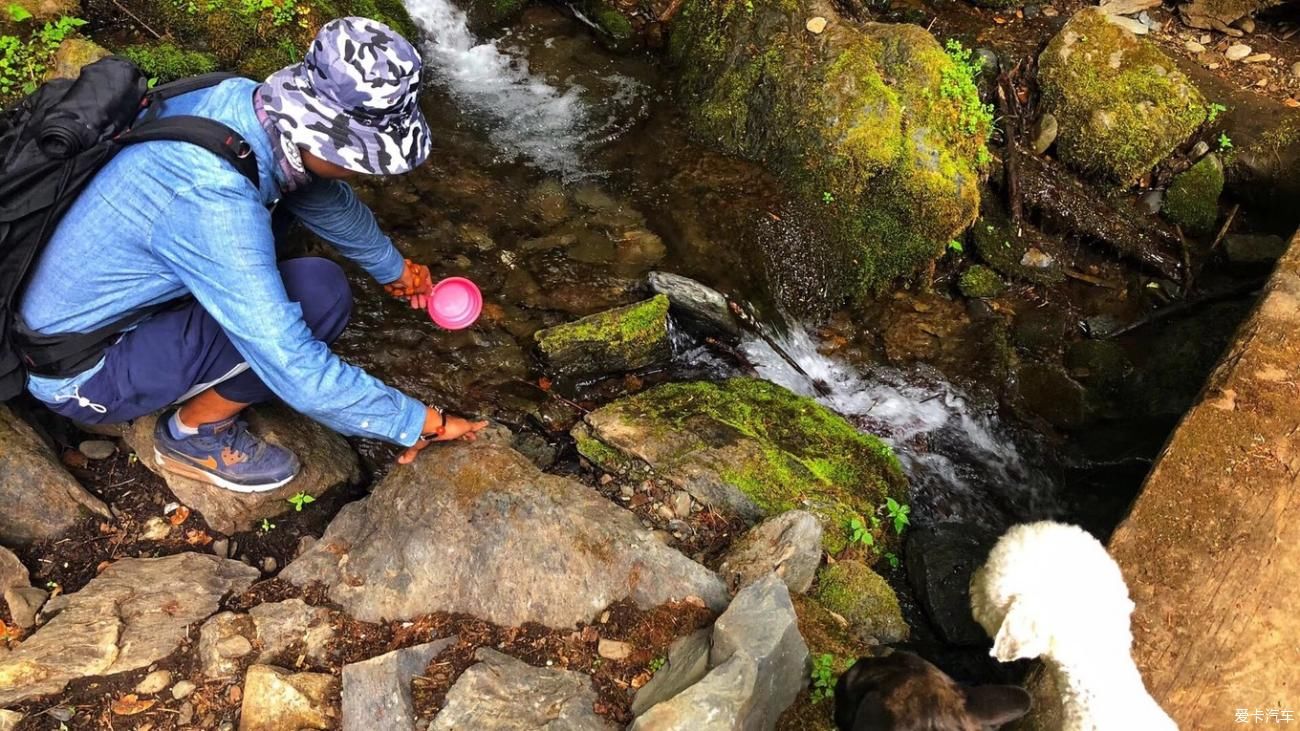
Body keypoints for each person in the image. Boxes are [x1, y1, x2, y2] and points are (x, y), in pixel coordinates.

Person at [17, 16, 487, 492]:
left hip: (86, 302)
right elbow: (293, 365)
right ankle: (192, 434)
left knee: (314, 279)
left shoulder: (243, 100)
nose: (363, 172)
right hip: (83, 369)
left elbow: (317, 193)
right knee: (318, 301)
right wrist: (421, 421)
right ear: (322, 136)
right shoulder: (213, 199)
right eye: (360, 159)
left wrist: (393, 268)